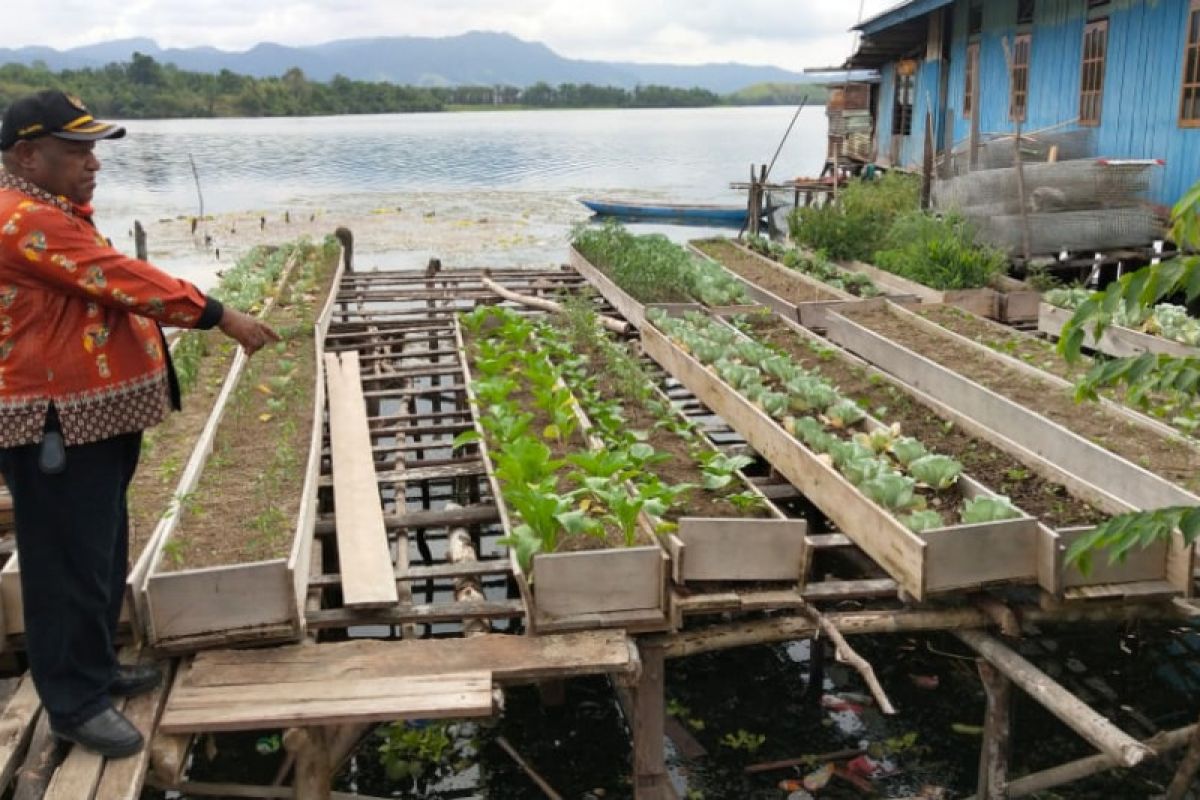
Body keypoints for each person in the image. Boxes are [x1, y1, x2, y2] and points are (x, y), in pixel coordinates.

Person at [0, 90, 278, 758]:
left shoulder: (50, 209)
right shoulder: (22, 221)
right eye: (76, 150)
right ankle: (72, 702)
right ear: (27, 154)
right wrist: (219, 314)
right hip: (53, 421)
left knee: (96, 551)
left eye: (94, 148)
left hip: (88, 419)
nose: (92, 162)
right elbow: (120, 279)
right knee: (63, 562)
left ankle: (96, 671)